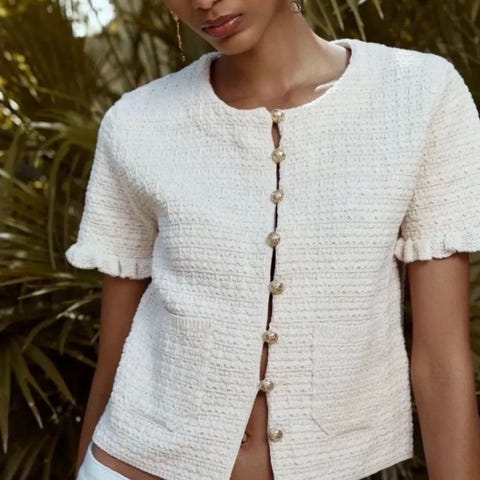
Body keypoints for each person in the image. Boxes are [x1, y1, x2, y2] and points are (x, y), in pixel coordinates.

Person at [68, 0, 480, 479]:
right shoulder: (136, 123)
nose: (203, 1)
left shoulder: (418, 95)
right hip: (129, 463)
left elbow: (441, 361)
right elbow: (114, 357)